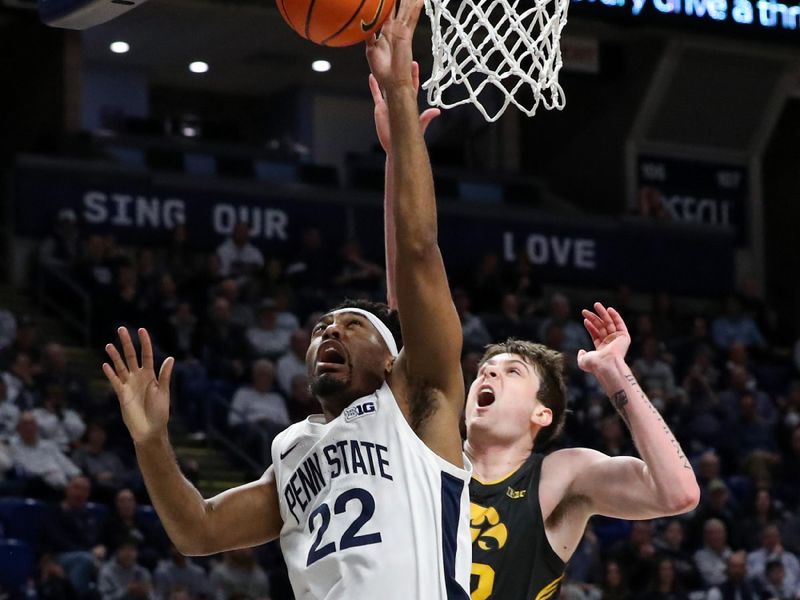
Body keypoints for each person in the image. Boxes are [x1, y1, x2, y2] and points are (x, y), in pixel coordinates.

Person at [101, 4, 471, 599]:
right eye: (324, 325)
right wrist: (150, 442)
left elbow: (419, 249)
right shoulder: (293, 451)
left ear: (391, 359)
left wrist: (401, 103)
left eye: (352, 325)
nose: (329, 331)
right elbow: (198, 530)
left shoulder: (419, 403)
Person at [462, 304, 700, 599]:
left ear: (542, 414)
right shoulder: (430, 460)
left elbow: (679, 493)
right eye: (484, 372)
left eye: (512, 371)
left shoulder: (559, 475)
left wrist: (614, 371)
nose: (489, 376)